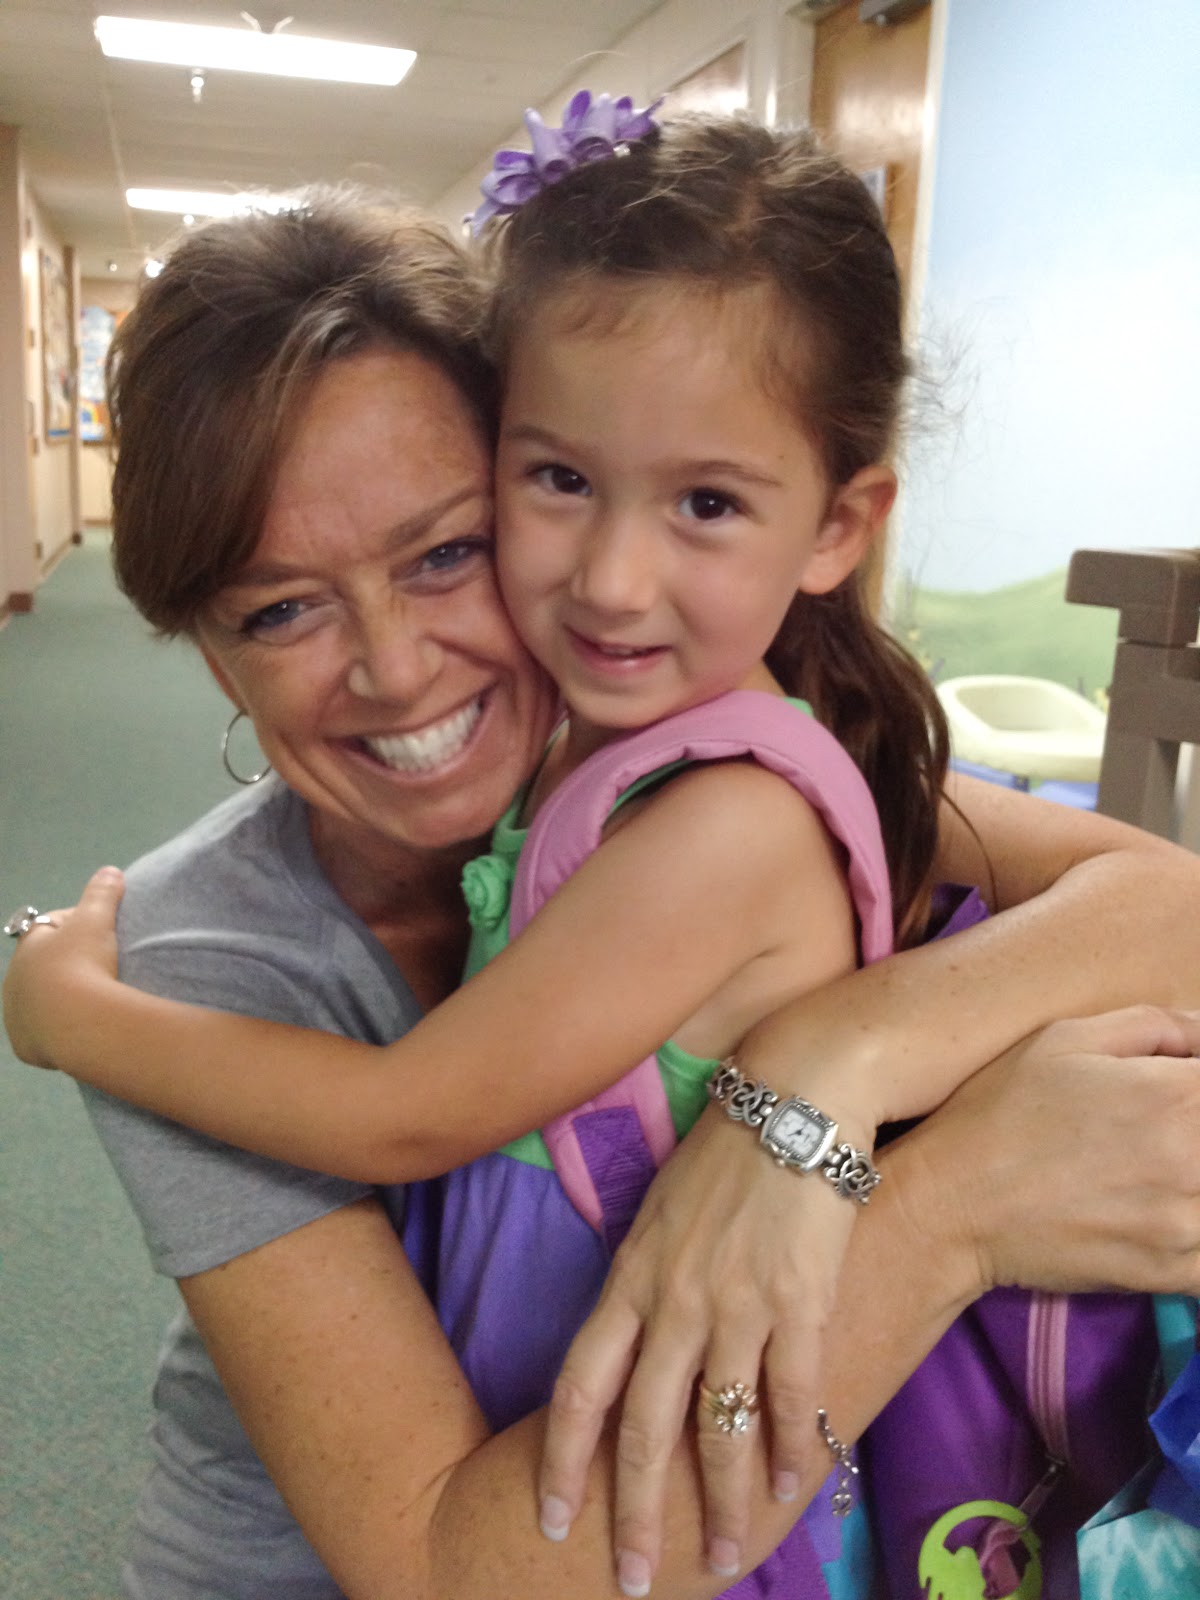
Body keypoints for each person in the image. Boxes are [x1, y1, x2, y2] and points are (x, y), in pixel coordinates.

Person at [6, 161, 1200, 1599]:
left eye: (444, 553)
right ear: (210, 650)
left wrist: (824, 1069)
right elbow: (449, 1569)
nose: (395, 668)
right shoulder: (209, 955)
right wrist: (952, 1205)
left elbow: (1169, 908)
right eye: (281, 610)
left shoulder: (684, 764)